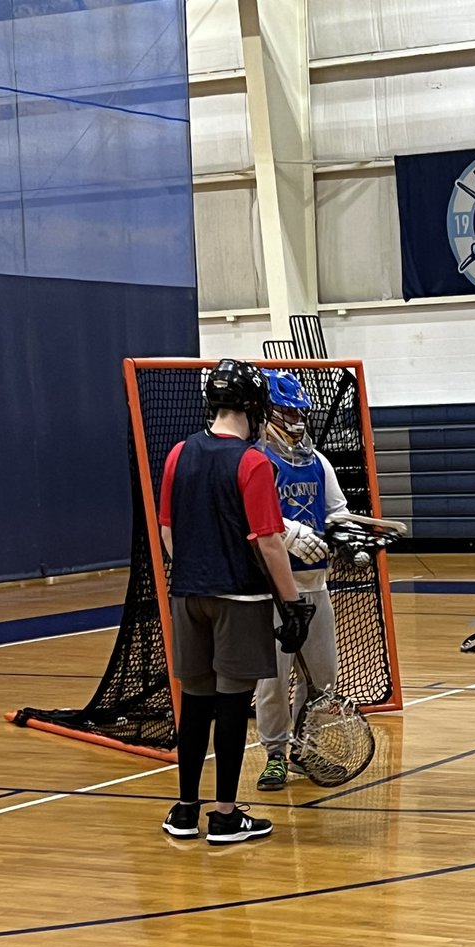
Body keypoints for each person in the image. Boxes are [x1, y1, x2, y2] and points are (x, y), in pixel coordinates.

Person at [158, 359, 315, 843]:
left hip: (187, 596)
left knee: (196, 705)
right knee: (230, 706)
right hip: (239, 598)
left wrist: (195, 568)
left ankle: (185, 810)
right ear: (254, 406)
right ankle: (225, 814)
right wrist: (293, 604)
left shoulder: (177, 453)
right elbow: (269, 541)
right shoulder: (253, 462)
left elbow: (168, 532)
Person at [253, 369, 351, 791]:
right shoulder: (257, 460)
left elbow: (337, 511)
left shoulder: (318, 461)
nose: (296, 418)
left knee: (322, 676)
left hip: (316, 586)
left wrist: (350, 537)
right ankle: (275, 753)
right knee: (273, 681)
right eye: (286, 410)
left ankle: (303, 747)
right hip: (271, 592)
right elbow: (253, 523)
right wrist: (290, 536)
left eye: (299, 410)